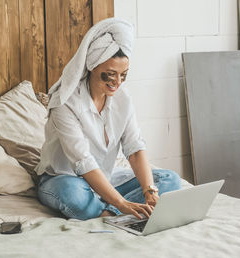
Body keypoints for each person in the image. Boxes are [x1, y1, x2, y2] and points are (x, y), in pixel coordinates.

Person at [34, 18, 181, 220]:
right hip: (64, 179)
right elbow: (82, 162)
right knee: (72, 194)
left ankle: (104, 212)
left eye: (123, 75)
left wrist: (150, 192)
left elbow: (135, 149)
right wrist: (121, 202)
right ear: (93, 66)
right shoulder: (65, 103)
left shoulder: (123, 99)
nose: (117, 83)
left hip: (106, 179)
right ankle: (116, 210)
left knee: (169, 180)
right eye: (110, 75)